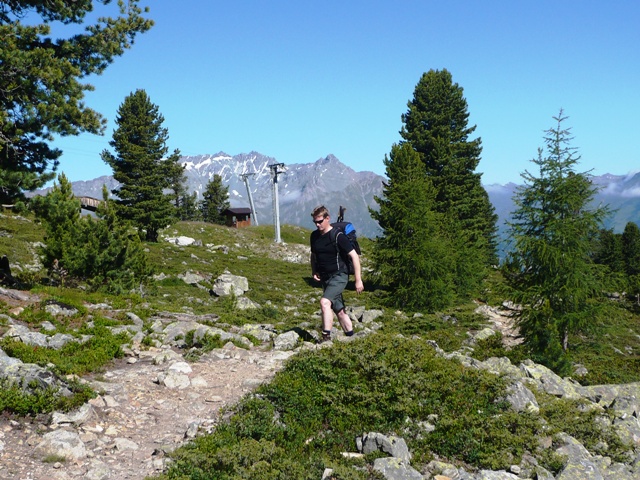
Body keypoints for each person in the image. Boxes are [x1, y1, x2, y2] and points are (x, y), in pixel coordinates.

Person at [309, 205, 364, 342]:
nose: (317, 225)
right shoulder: (314, 236)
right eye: (315, 222)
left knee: (325, 302)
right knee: (339, 309)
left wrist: (358, 280)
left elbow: (354, 256)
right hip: (325, 277)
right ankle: (351, 338)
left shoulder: (338, 236)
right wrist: (314, 270)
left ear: (328, 219)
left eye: (320, 221)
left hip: (339, 275)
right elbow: (313, 255)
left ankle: (326, 337)